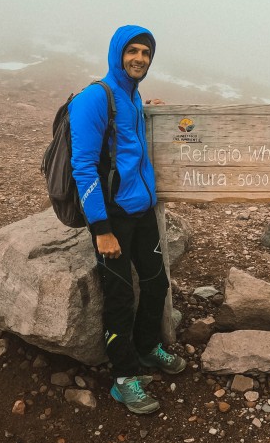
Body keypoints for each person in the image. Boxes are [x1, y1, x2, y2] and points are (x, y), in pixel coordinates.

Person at [69, 24, 185, 414]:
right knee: (119, 299)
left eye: (146, 53)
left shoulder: (131, 98)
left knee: (156, 283)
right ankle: (123, 379)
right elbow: (83, 167)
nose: (139, 58)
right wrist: (101, 229)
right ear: (117, 53)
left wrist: (148, 108)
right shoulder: (94, 98)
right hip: (112, 216)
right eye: (132, 51)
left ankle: (148, 347)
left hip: (141, 210)